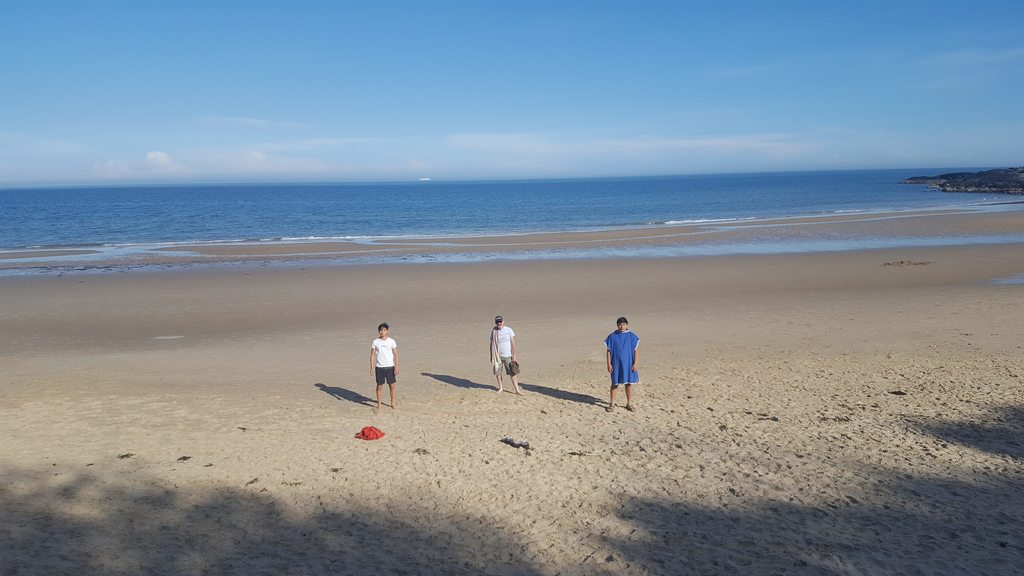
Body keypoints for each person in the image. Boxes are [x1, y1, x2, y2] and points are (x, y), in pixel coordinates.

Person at [605, 316, 639, 412]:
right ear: (617, 325)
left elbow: (636, 351)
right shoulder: (612, 336)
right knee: (615, 383)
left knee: (628, 384)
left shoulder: (632, 336)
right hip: (616, 364)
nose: (621, 326)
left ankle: (629, 403)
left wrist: (635, 363)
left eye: (623, 324)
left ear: (626, 325)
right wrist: (609, 364)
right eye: (620, 324)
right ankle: (612, 404)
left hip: (628, 363)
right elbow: (608, 351)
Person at [489, 315, 523, 395]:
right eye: (497, 322)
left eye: (500, 321)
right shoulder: (494, 331)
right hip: (497, 356)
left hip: (508, 355)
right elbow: (491, 343)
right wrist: (491, 355)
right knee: (498, 372)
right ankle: (501, 387)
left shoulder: (509, 330)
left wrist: (514, 355)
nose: (499, 323)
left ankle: (517, 390)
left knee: (512, 372)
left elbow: (513, 343)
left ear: (503, 322)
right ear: (495, 323)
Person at [369, 322, 399, 411]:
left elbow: (396, 354)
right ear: (379, 331)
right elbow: (372, 355)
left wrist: (397, 367)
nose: (382, 332)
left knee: (392, 386)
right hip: (379, 367)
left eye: (384, 330)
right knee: (379, 386)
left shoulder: (392, 341)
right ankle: (379, 404)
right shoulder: (375, 342)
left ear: (387, 331)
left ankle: (392, 402)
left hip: (390, 367)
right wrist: (371, 367)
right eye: (381, 330)